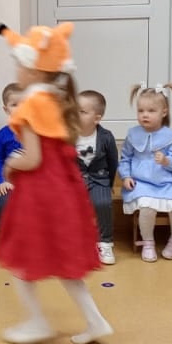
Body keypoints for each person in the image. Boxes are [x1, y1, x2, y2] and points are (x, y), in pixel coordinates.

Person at [0, 22, 112, 344]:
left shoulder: (31, 106)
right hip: (63, 191)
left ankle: (37, 322)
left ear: (33, 70)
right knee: (63, 262)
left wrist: (11, 163)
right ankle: (95, 321)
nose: (16, 70)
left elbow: (32, 159)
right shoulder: (55, 100)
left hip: (39, 194)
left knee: (19, 256)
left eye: (18, 63)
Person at [119, 84, 172, 262]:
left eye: (151, 111)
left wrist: (166, 161)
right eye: (140, 110)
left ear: (164, 112)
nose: (145, 115)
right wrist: (126, 176)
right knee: (146, 207)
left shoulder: (170, 136)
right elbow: (125, 158)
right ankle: (148, 242)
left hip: (168, 181)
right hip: (142, 182)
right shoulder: (133, 134)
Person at [76, 89, 119, 266]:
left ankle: (105, 242)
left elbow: (113, 162)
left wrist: (109, 184)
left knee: (103, 203)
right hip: (75, 179)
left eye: (82, 112)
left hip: (99, 178)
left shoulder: (106, 137)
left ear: (97, 118)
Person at [0, 83, 22, 227]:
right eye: (15, 105)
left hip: (32, 182)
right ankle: (5, 236)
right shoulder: (3, 134)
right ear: (6, 109)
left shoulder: (36, 133)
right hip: (8, 181)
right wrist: (1, 181)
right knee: (4, 202)